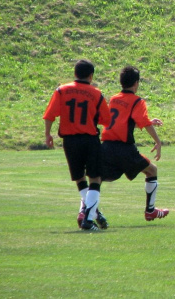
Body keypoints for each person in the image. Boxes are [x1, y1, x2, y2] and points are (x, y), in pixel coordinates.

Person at [43, 59, 111, 231]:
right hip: (89, 139)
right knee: (95, 177)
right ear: (91, 76)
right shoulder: (96, 94)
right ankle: (89, 218)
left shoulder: (61, 90)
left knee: (79, 177)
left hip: (70, 141)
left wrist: (48, 134)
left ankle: (94, 213)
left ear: (75, 73)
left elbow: (50, 115)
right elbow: (106, 120)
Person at [100, 66, 169, 223]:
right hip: (124, 149)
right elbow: (143, 122)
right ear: (136, 83)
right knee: (152, 170)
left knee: (96, 178)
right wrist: (158, 141)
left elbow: (122, 123)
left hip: (106, 147)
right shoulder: (137, 101)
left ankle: (85, 210)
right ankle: (150, 211)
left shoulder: (114, 99)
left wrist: (147, 122)